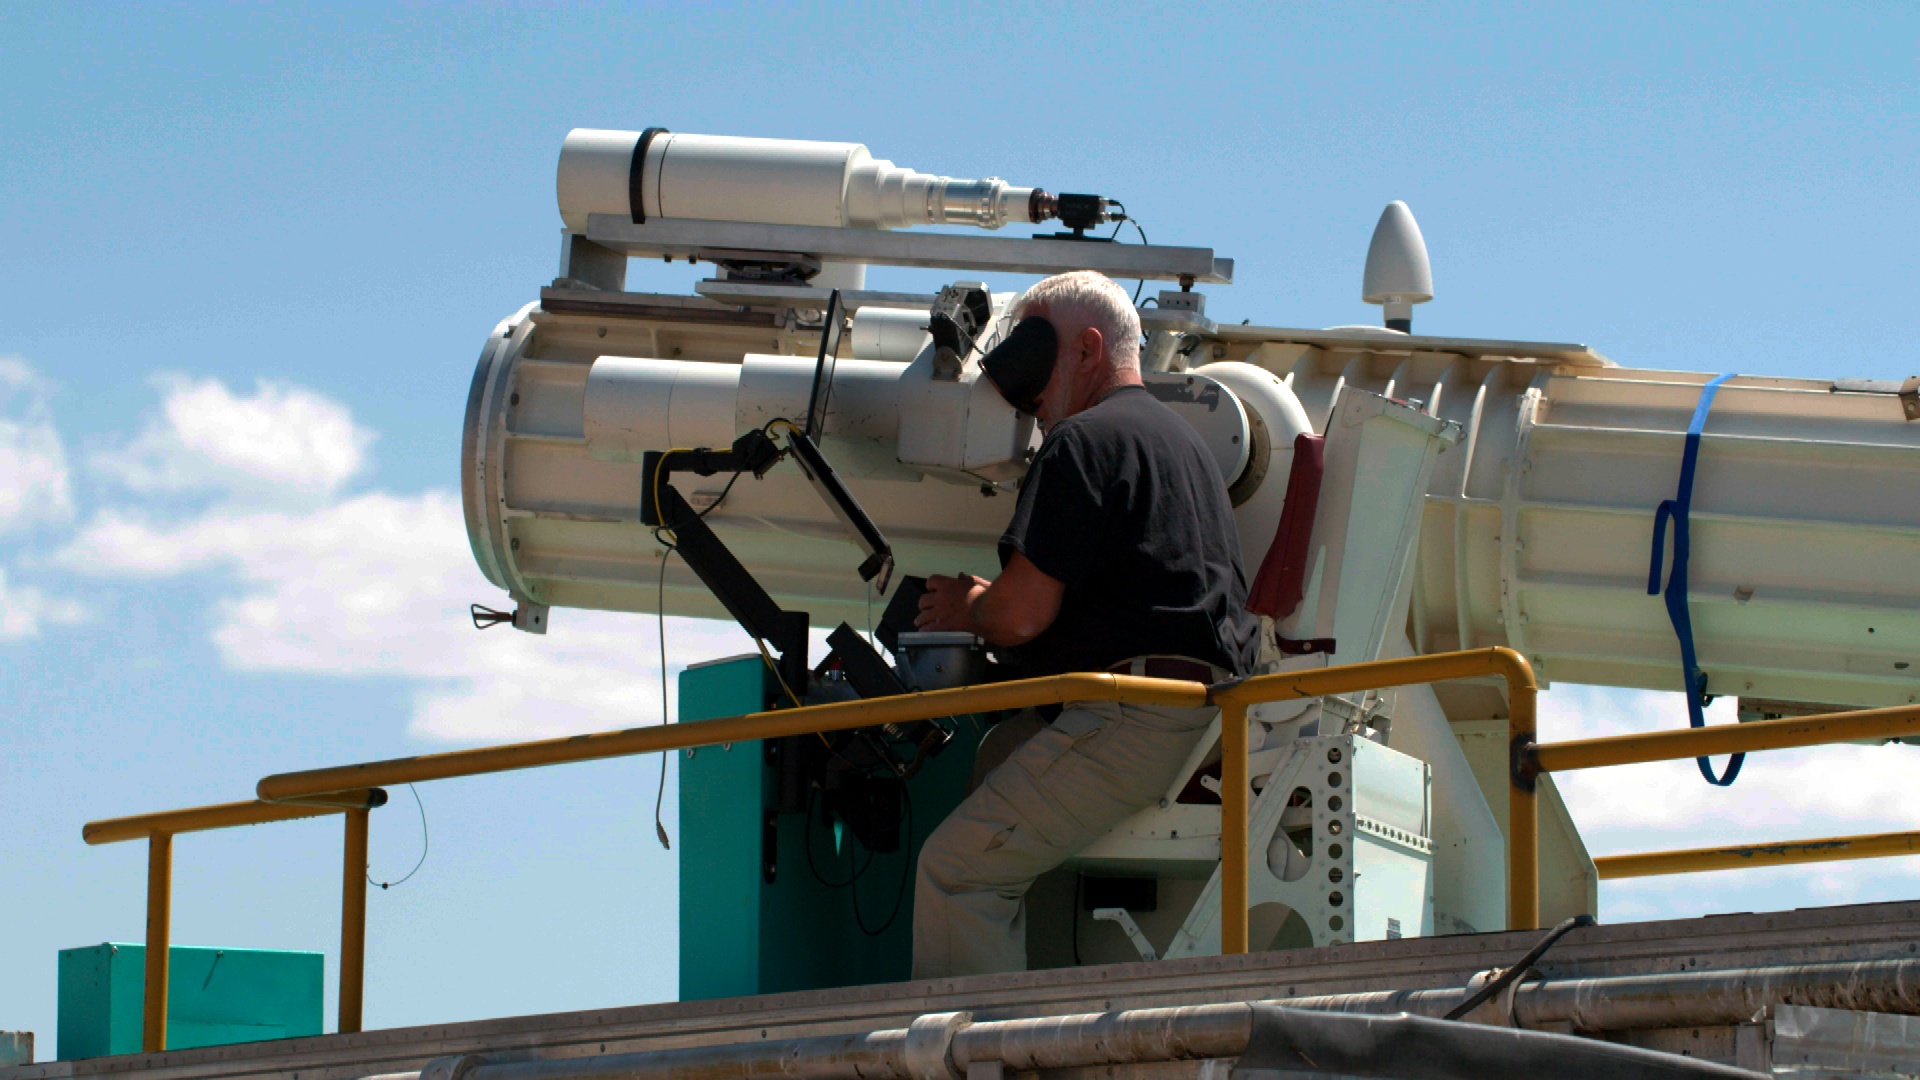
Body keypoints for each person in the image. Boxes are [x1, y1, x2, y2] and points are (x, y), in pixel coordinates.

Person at [910, 270, 1261, 978]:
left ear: (1087, 350)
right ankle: (1031, 1010)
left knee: (955, 870)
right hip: (1199, 711)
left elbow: (1020, 615)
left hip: (1134, 716)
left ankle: (980, 1053)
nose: (1031, 397)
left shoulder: (1080, 441)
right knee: (1002, 754)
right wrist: (999, 599)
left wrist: (971, 609)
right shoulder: (1179, 441)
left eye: (1038, 358)